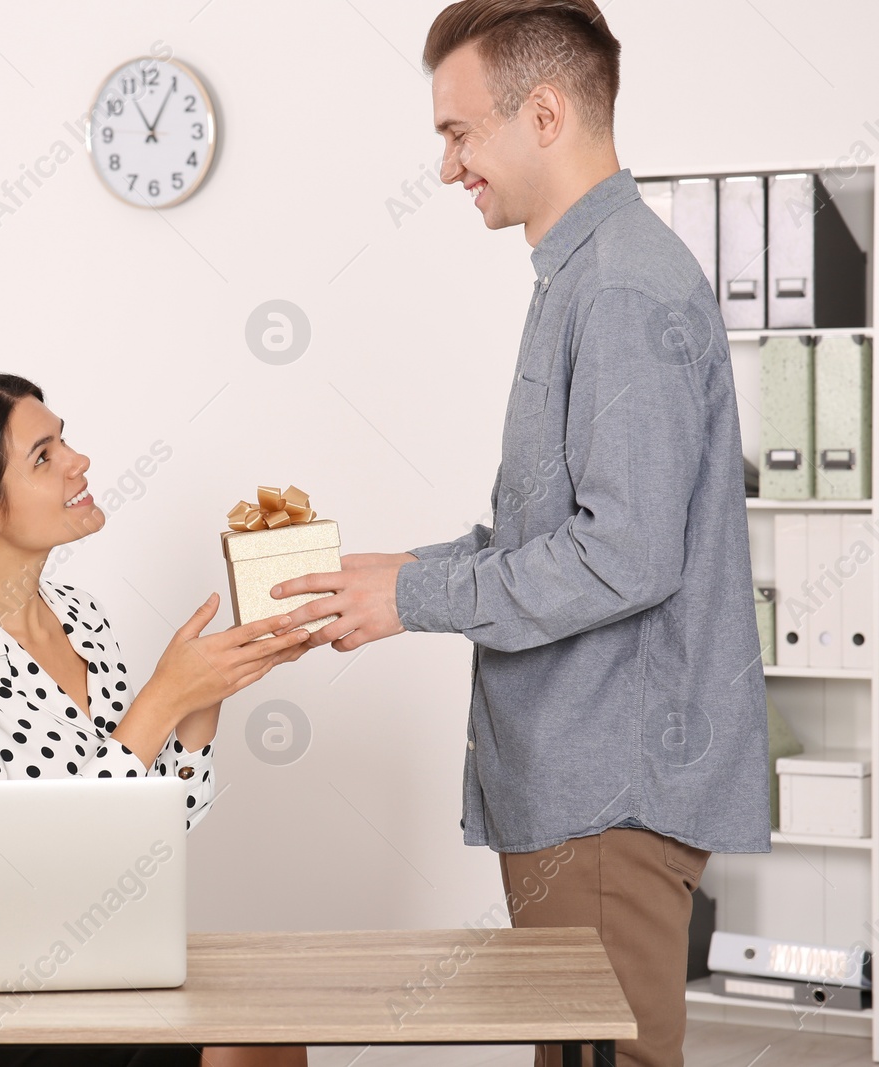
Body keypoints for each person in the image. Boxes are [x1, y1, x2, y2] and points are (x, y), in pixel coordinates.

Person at [274, 3, 768, 1065]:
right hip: (584, 799)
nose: (449, 166)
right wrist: (403, 570)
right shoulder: (584, 277)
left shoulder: (623, 287)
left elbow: (624, 556)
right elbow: (555, 532)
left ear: (541, 114)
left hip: (609, 798)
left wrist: (414, 599)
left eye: (458, 133)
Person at [0, 372, 310, 1067]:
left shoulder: (82, 616)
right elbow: (14, 875)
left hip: (93, 960)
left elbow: (149, 830)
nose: (78, 461)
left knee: (269, 1018)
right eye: (43, 455)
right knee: (243, 1042)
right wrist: (158, 702)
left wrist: (198, 707)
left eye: (64, 439)